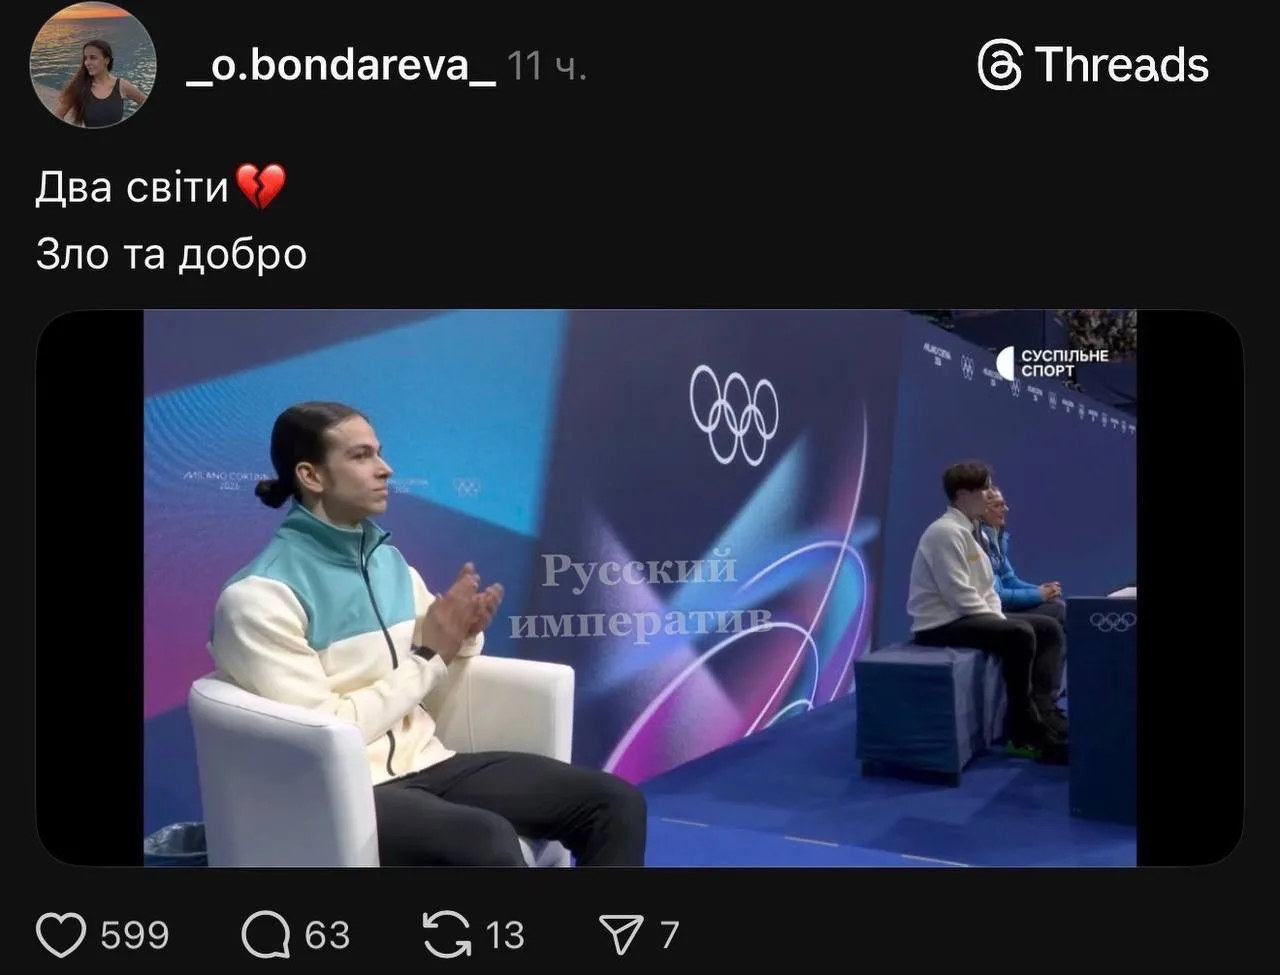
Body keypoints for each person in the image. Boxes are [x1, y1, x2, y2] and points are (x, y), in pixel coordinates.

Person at [207, 401, 648, 866]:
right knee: (486, 838)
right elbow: (328, 734)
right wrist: (430, 655)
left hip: (429, 761)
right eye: (361, 456)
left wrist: (464, 632)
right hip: (343, 790)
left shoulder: (388, 562)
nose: (385, 468)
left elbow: (441, 652)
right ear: (311, 476)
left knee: (614, 803)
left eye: (379, 453)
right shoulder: (259, 596)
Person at [905, 461, 1067, 763]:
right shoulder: (944, 532)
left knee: (1048, 627)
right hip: (939, 624)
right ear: (963, 495)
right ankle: (1024, 729)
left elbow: (986, 588)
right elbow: (959, 595)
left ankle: (1044, 711)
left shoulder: (969, 531)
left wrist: (997, 616)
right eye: (984, 489)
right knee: (1019, 633)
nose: (989, 495)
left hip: (965, 616)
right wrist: (999, 621)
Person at [979, 486, 1068, 701]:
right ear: (982, 510)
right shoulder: (978, 542)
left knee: (1058, 607)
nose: (1006, 509)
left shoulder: (995, 537)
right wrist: (1039, 596)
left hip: (997, 604)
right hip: (987, 610)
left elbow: (1009, 579)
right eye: (998, 505)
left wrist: (1040, 590)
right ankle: (1042, 700)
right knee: (1052, 621)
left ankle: (1048, 692)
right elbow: (997, 596)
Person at [55, 39, 146, 128]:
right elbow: (58, 115)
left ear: (107, 60)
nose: (87, 63)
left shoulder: (122, 86)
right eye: (85, 58)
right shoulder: (79, 86)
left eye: (93, 58)